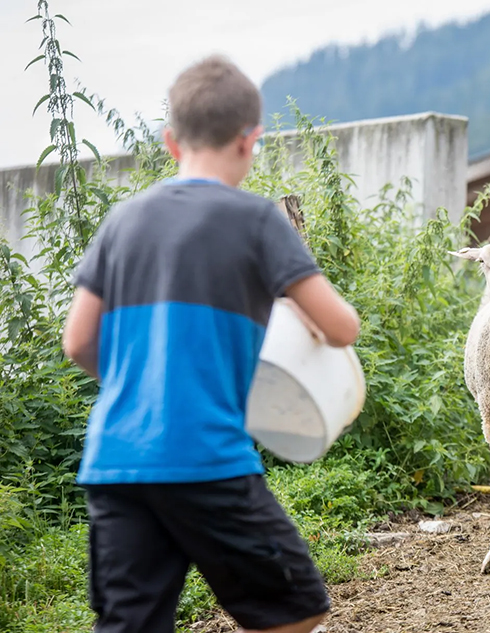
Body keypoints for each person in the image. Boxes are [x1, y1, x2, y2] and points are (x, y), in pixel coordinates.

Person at [62, 54, 360, 633]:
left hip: (116, 462)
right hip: (205, 457)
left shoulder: (122, 221)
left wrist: (139, 380)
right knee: (298, 608)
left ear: (171, 142)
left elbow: (77, 341)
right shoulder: (256, 221)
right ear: (251, 141)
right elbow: (342, 327)